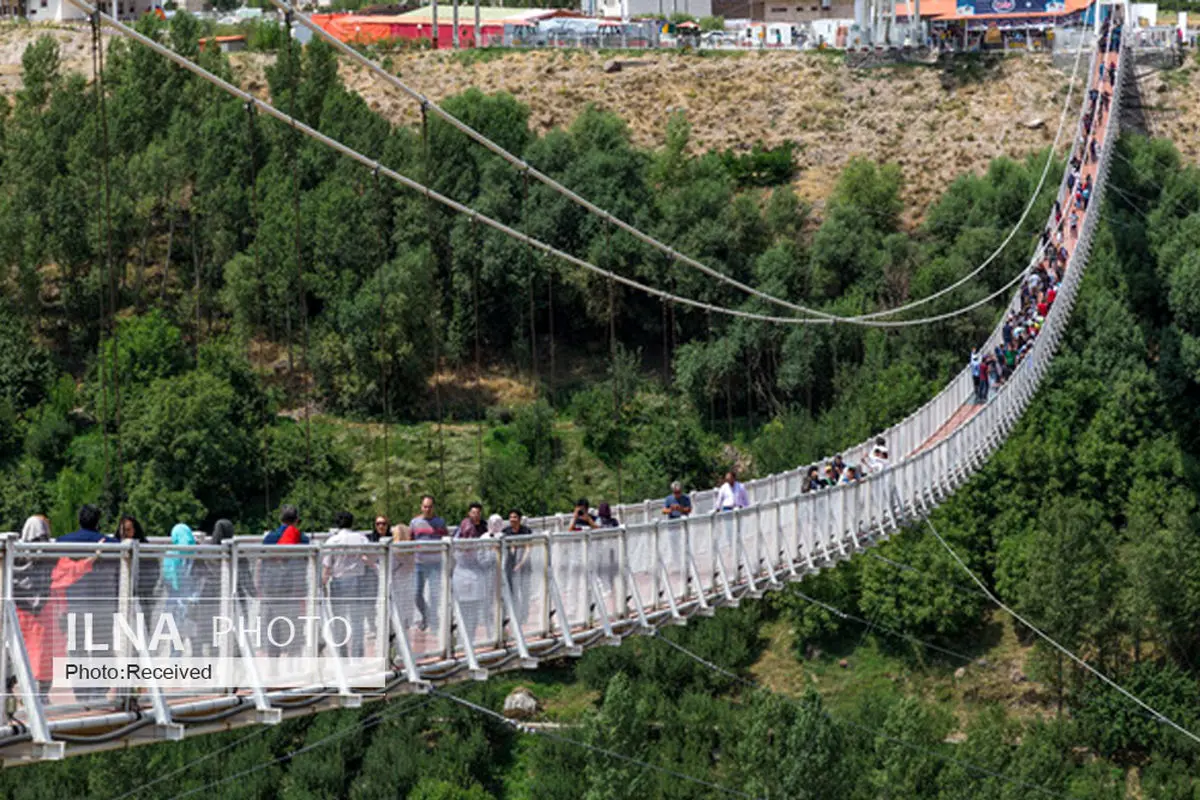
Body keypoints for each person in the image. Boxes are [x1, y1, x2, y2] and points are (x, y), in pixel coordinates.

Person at [59, 504, 118, 703]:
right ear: (98, 521)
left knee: (77, 649)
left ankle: (81, 692)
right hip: (103, 604)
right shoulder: (111, 544)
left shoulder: (62, 543)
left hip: (74, 604)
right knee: (101, 647)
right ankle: (99, 690)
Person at [12, 516, 64, 702]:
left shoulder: (14, 553)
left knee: (19, 650)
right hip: (40, 610)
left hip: (18, 608)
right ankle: (40, 694)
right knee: (42, 652)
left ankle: (18, 690)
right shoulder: (49, 554)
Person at [259, 505, 310, 658]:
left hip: (271, 591)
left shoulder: (270, 538)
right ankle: (293, 669)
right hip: (293, 591)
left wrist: (259, 586)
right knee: (294, 630)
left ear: (281, 519)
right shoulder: (303, 539)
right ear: (296, 520)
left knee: (273, 630)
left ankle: (273, 669)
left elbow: (262, 563)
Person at [322, 511, 371, 660]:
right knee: (357, 621)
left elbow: (327, 566)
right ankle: (358, 656)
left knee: (339, 620)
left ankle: (342, 657)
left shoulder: (332, 541)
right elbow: (370, 558)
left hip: (339, 582)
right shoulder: (362, 539)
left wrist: (322, 583)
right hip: (358, 580)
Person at [410, 495, 449, 633]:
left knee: (434, 595)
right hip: (419, 563)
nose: (427, 509)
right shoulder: (414, 522)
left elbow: (446, 540)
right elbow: (410, 541)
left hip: (435, 565)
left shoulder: (440, 522)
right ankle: (427, 615)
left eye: (430, 506)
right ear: (421, 507)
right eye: (425, 506)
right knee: (416, 593)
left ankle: (433, 622)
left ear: (433, 507)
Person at [163, 524, 201, 656]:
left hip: (176, 604)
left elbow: (168, 579)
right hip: (195, 603)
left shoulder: (171, 554)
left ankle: (174, 673)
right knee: (196, 642)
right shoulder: (198, 553)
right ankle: (200, 673)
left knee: (176, 643)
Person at [453, 503, 488, 643]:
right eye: (473, 512)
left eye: (478, 512)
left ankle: (470, 637)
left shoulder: (484, 529)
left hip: (477, 573)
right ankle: (462, 638)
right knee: (462, 608)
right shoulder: (460, 531)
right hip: (462, 575)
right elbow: (454, 546)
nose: (475, 515)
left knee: (474, 608)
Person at [117, 515, 160, 624]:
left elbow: (153, 572)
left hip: (141, 596)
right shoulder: (116, 548)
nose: (125, 534)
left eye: (128, 530)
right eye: (123, 531)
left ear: (135, 530)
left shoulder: (146, 550)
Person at [500, 510, 532, 627]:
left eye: (515, 517)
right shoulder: (506, 531)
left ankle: (524, 615)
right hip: (510, 565)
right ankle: (512, 615)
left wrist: (521, 563)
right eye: (510, 517)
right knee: (512, 590)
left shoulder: (526, 531)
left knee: (524, 591)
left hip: (524, 565)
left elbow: (528, 548)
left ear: (519, 519)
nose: (512, 519)